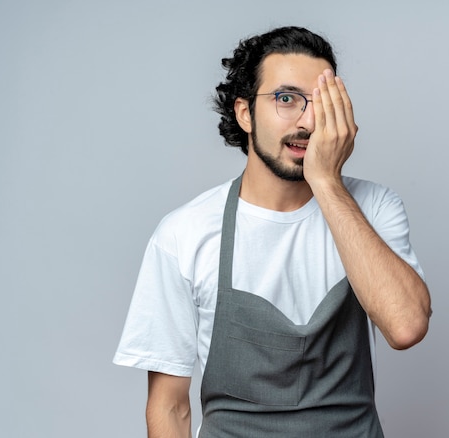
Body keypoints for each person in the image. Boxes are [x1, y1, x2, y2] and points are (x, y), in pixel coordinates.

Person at [114, 26, 432, 437]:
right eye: (287, 99)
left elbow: (406, 326)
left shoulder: (374, 207)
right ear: (245, 113)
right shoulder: (185, 234)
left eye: (322, 103)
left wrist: (328, 184)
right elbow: (170, 406)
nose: (309, 120)